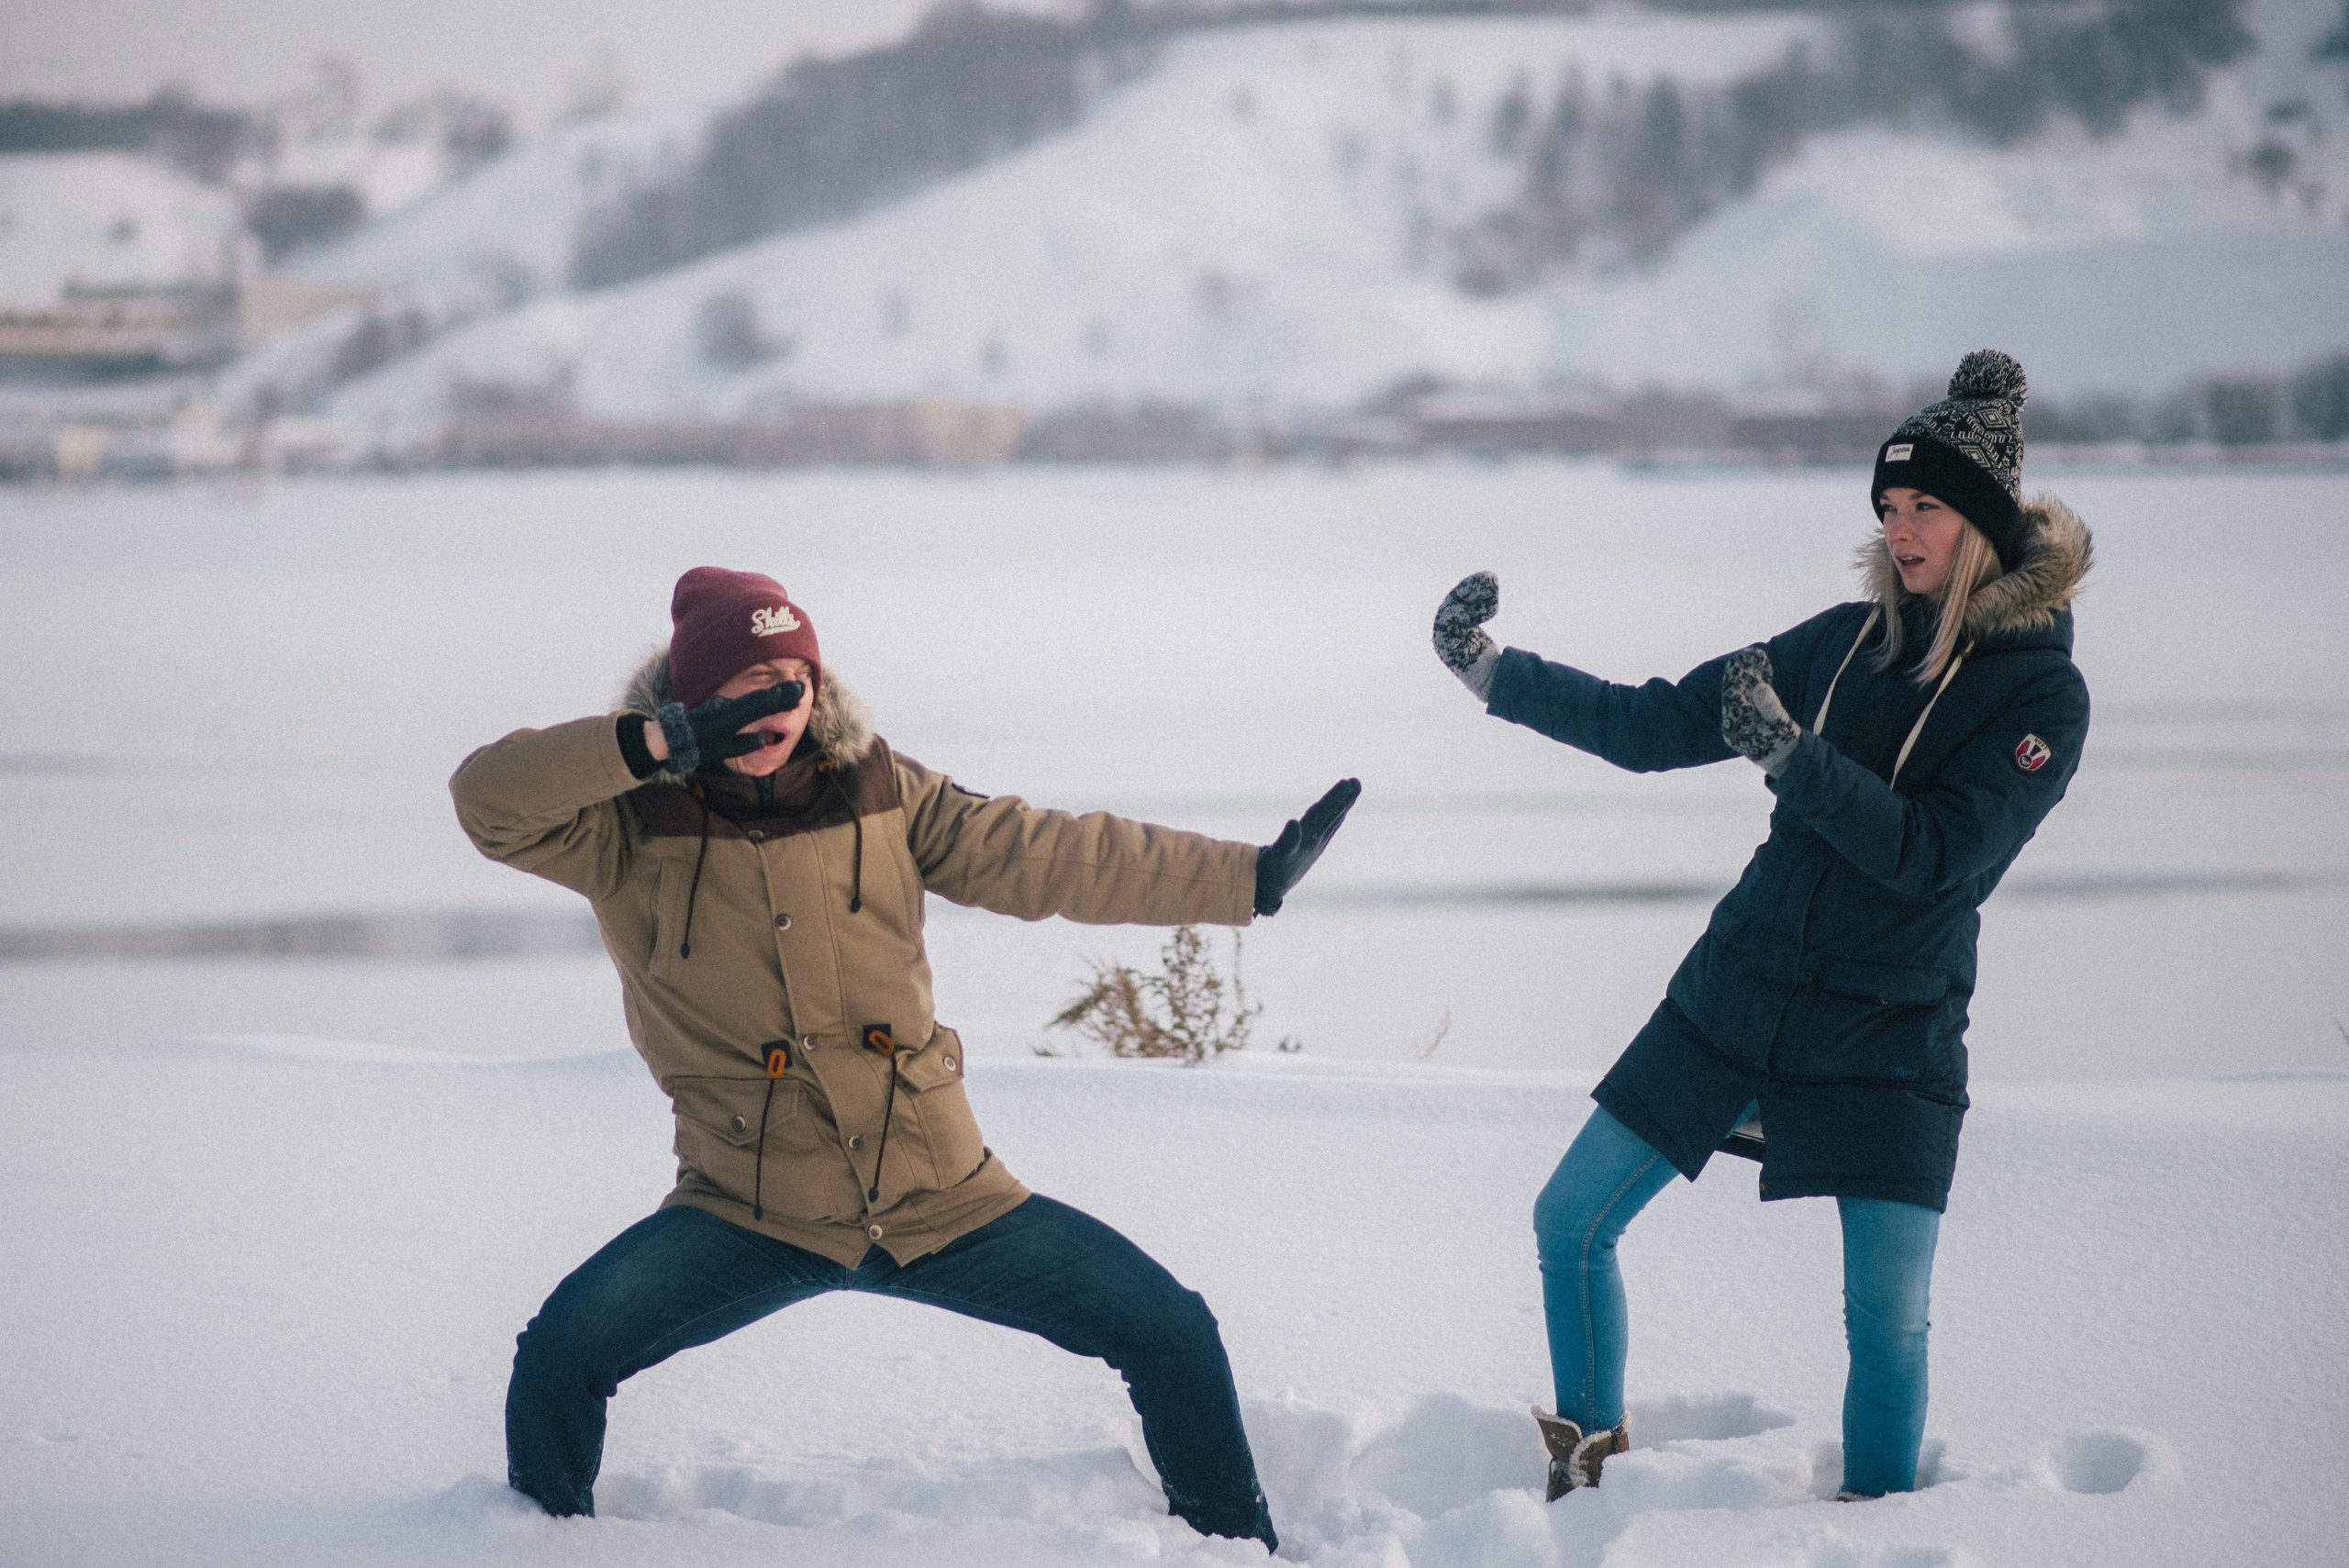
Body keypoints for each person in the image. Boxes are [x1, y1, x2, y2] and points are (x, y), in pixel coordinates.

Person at [451, 566, 1359, 1551]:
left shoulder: (882, 789)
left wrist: (1244, 876)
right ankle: (538, 1546)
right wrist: (658, 745)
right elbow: (487, 800)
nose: (770, 711)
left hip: (943, 1192)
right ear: (687, 701)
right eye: (738, 693)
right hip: (747, 1206)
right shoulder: (620, 825)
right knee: (559, 1356)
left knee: (1171, 1329)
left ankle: (1235, 1545)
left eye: (787, 685)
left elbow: (1045, 851)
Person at [1430, 351, 2090, 1502]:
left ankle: (1877, 1521)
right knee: (1569, 1218)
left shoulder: (2040, 698)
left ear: (1981, 518)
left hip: (1887, 1031)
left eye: (1924, 504)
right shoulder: (1841, 640)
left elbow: (1933, 863)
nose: (1900, 528)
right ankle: (1585, 1467)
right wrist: (1490, 672)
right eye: (1887, 506)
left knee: (1886, 1322)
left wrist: (1794, 757)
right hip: (1740, 991)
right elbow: (1652, 723)